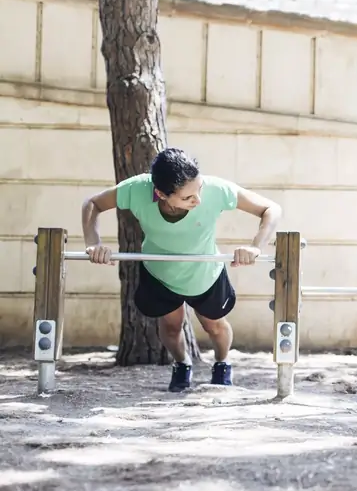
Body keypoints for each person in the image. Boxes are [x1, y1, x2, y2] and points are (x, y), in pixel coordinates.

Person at [80, 148, 282, 392]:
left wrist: (255, 247)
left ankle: (222, 363)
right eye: (188, 198)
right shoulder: (137, 190)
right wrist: (93, 243)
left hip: (204, 273)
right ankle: (182, 364)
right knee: (172, 327)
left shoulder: (216, 189)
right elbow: (92, 204)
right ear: (161, 194)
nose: (198, 200)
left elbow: (271, 209)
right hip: (161, 273)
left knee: (214, 326)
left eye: (199, 190)